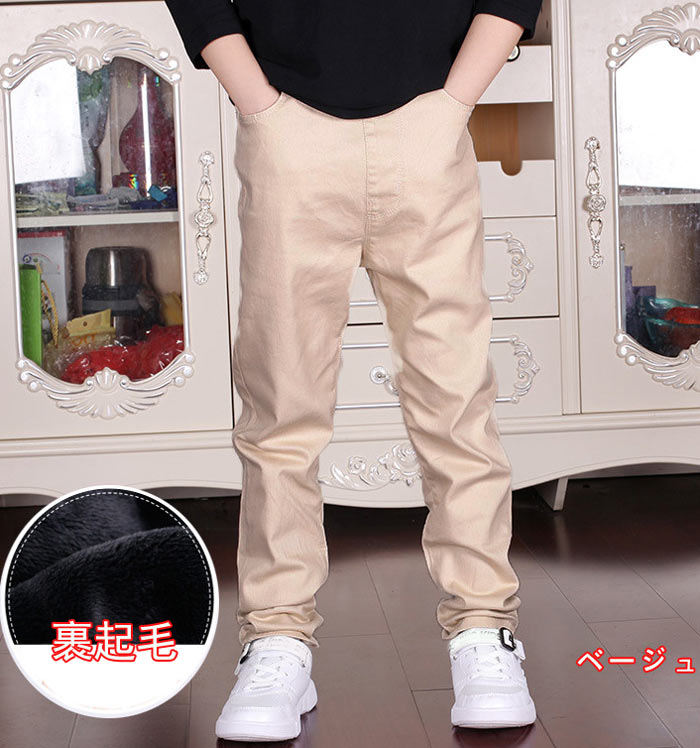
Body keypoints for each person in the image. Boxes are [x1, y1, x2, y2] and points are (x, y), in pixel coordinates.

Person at [164, 0, 543, 740]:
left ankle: (483, 627)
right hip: (289, 128)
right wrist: (260, 106)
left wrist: (454, 103)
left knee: (456, 399)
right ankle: (276, 638)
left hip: (429, 124)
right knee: (281, 407)